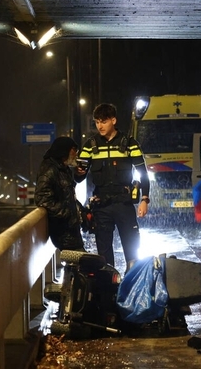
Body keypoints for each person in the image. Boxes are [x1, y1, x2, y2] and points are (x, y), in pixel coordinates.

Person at [76, 103, 150, 271]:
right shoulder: (90, 145)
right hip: (101, 206)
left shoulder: (129, 143)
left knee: (132, 252)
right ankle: (109, 292)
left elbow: (143, 173)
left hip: (124, 204)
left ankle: (131, 289)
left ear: (113, 120)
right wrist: (78, 172)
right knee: (104, 257)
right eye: (97, 122)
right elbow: (78, 178)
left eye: (104, 121)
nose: (100, 126)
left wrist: (145, 199)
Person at [34, 136, 85, 252]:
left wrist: (80, 211)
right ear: (64, 151)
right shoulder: (49, 170)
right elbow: (42, 199)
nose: (76, 155)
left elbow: (68, 195)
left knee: (78, 265)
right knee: (83, 263)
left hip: (71, 230)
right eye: (73, 151)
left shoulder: (63, 168)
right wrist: (67, 213)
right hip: (63, 232)